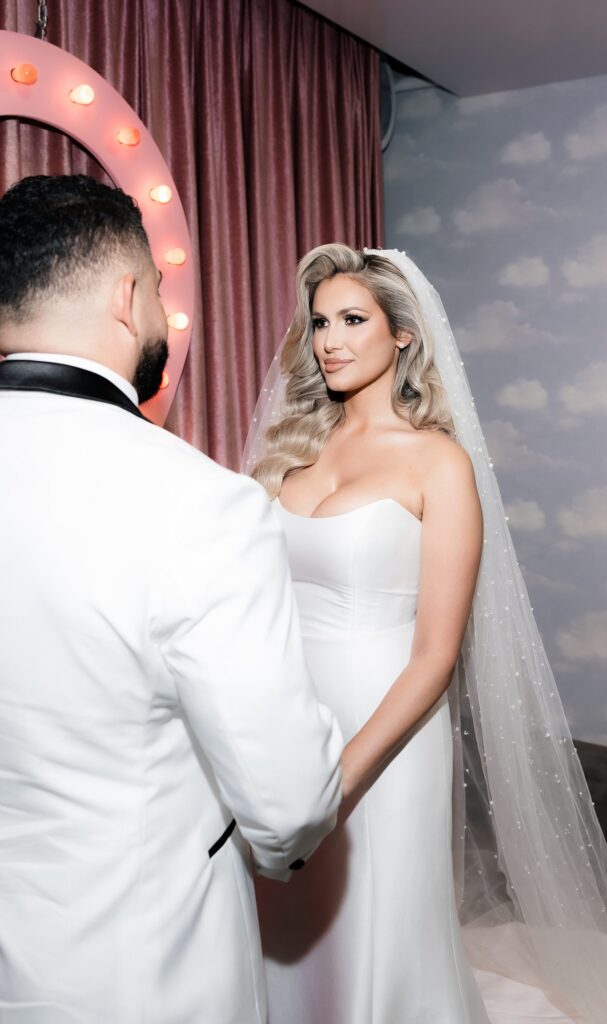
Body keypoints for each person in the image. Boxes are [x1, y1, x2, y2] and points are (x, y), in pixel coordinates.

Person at [243, 244, 607, 1024]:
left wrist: (338, 778)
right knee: (284, 918)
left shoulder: (436, 462)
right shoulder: (289, 452)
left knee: (374, 914)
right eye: (318, 323)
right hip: (284, 711)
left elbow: (438, 653)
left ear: (402, 335)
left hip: (387, 724)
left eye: (352, 320)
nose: (329, 340)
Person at [0, 175, 343, 1024]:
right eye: (156, 289)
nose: (159, 313)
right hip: (135, 963)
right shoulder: (200, 503)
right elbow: (288, 800)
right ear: (127, 297)